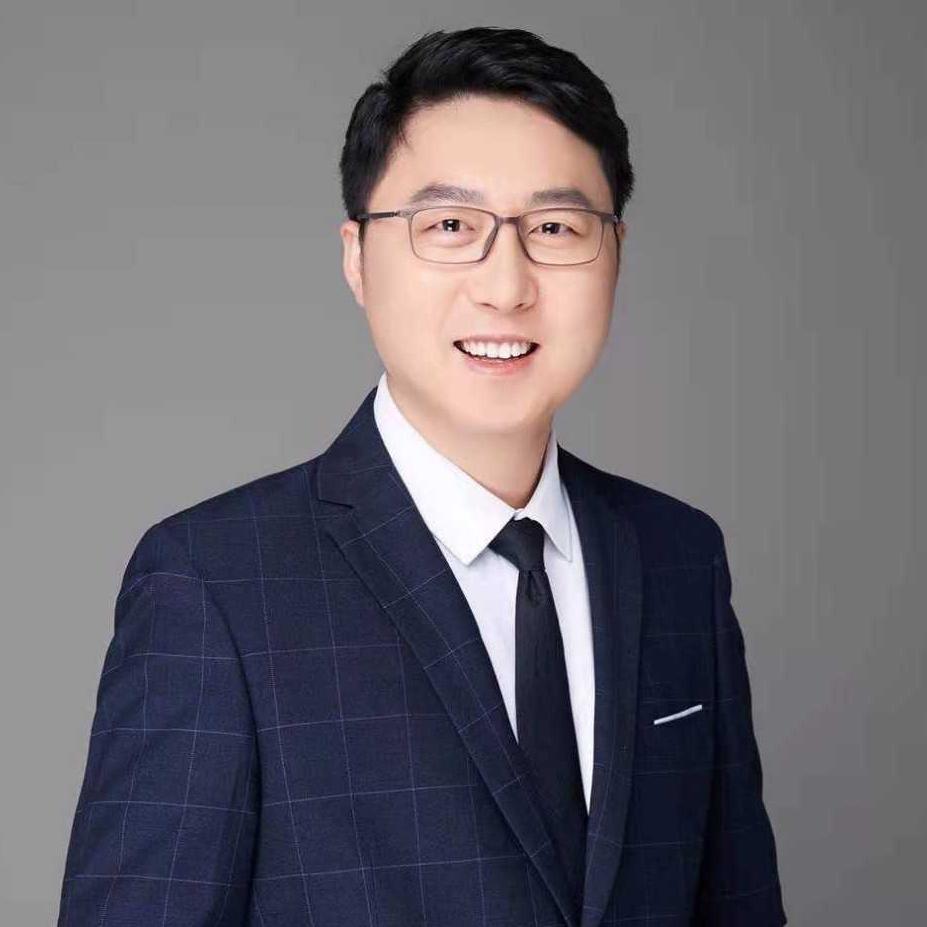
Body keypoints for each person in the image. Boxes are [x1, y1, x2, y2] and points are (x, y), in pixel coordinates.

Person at [57, 26, 786, 927]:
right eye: (449, 227)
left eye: (555, 228)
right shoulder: (214, 584)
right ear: (357, 257)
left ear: (615, 254)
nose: (506, 285)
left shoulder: (678, 557)